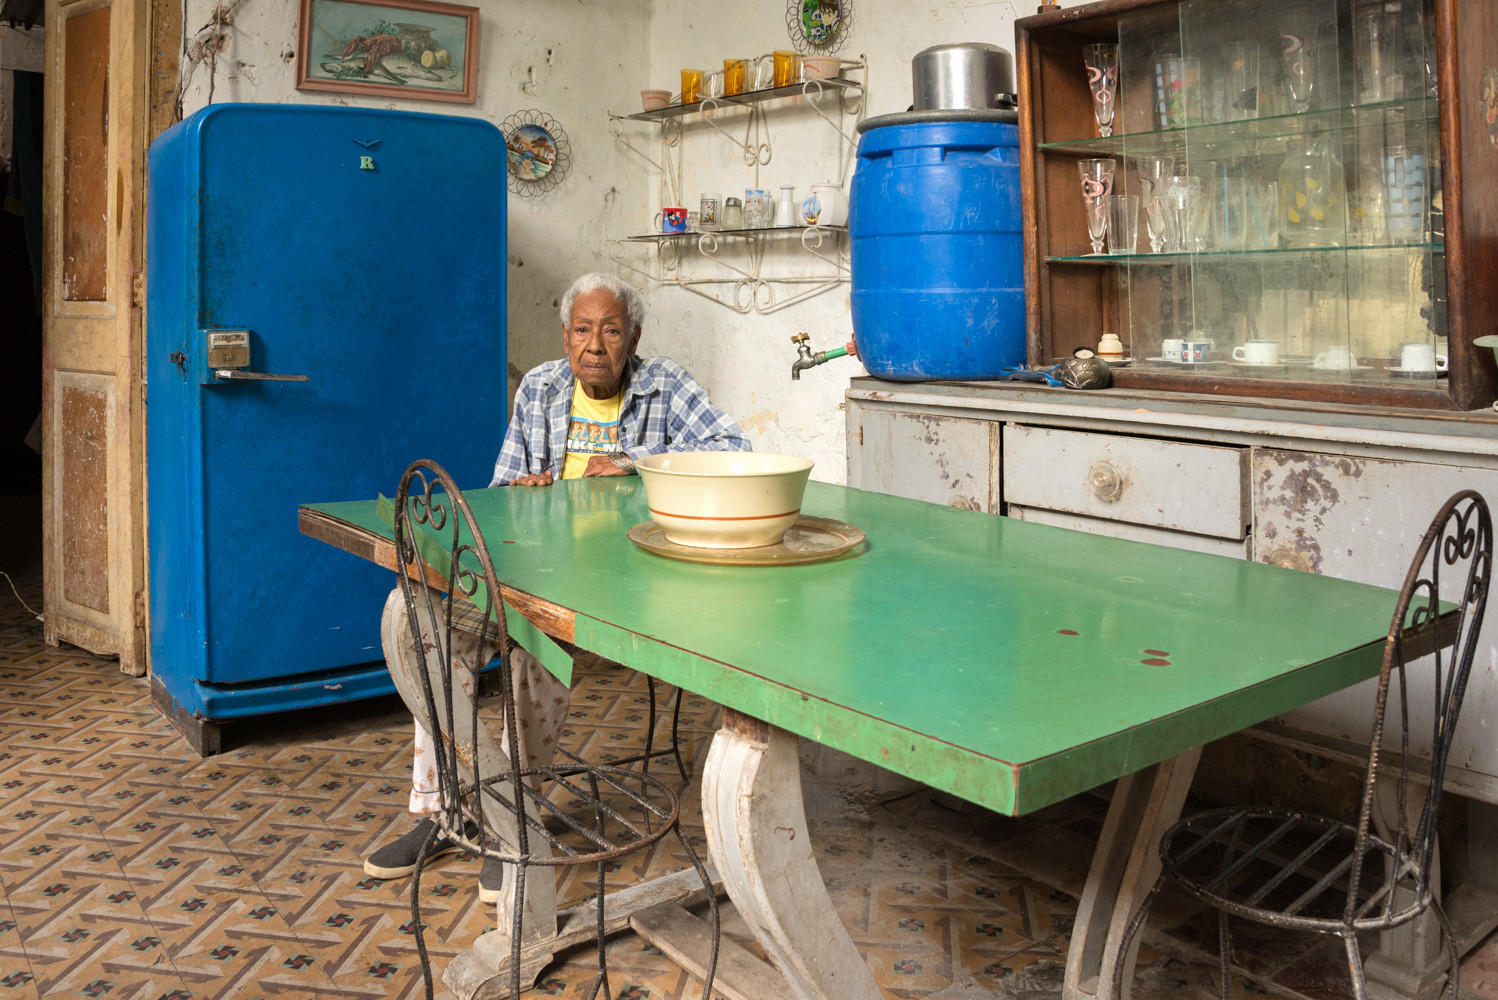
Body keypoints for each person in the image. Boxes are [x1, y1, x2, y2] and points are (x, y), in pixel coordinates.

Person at [363, 272, 749, 902]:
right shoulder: (541, 387)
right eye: (582, 329)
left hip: (615, 591)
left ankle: (515, 817)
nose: (595, 345)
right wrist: (524, 490)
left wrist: (631, 465)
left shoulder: (665, 385)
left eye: (612, 330)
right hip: (528, 574)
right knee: (421, 626)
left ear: (634, 338)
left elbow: (735, 447)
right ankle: (447, 812)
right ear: (565, 335)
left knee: (539, 653)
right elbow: (500, 490)